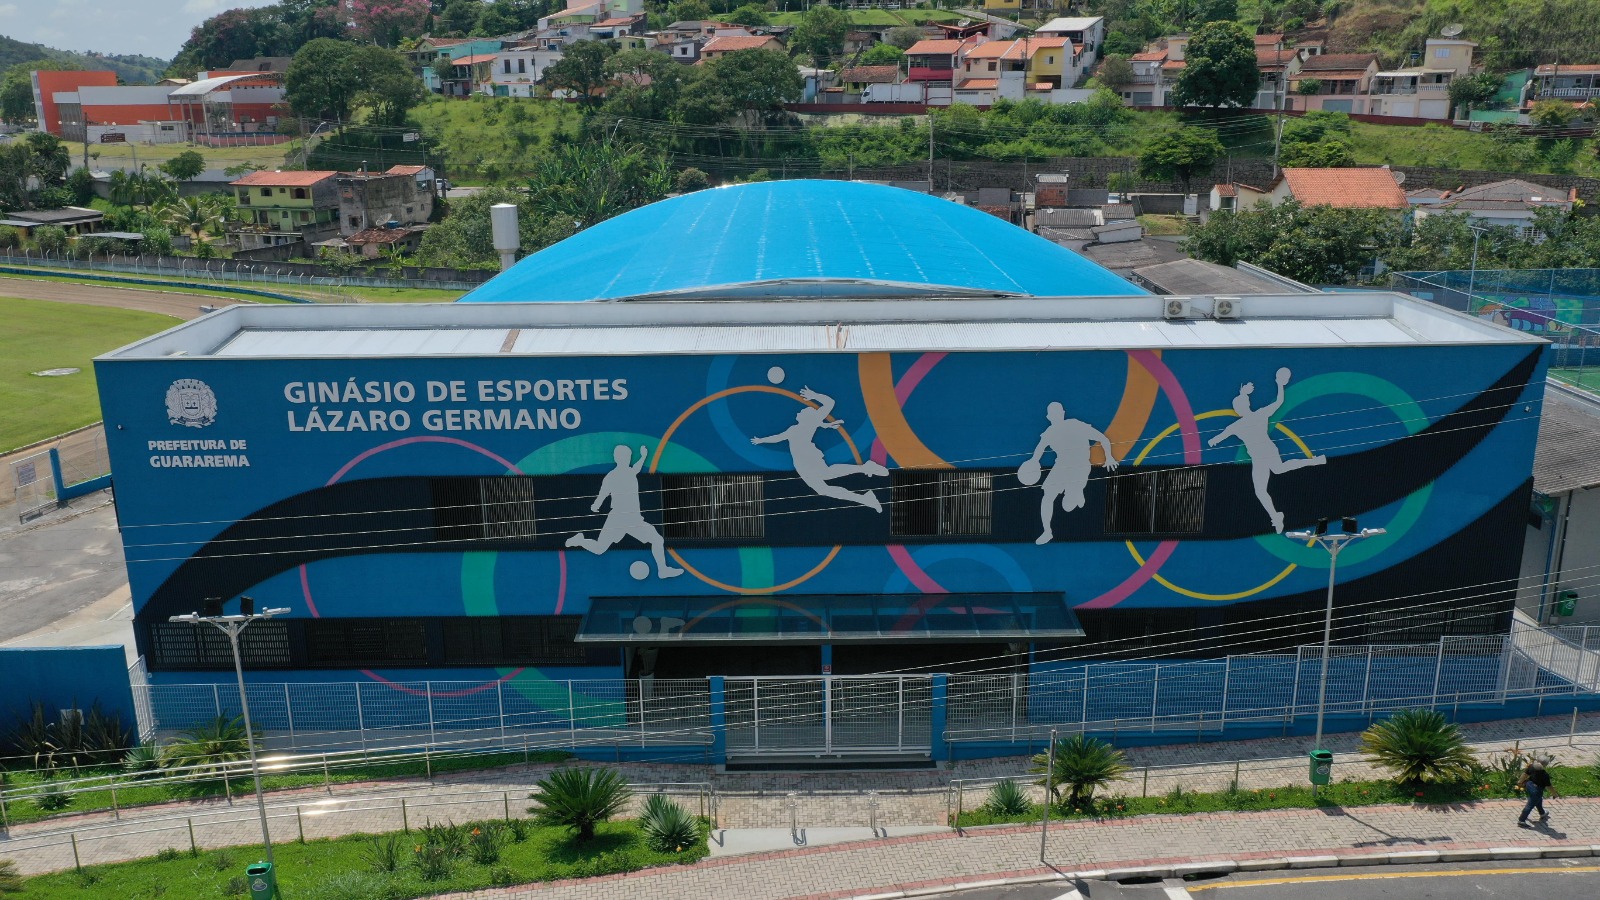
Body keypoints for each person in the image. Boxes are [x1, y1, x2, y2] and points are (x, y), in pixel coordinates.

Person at [1206, 367, 1327, 534]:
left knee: (1277, 471)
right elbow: (1221, 436)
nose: (1238, 409)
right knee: (1261, 490)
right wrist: (1213, 440)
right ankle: (1276, 517)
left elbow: (1278, 402)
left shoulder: (1256, 416)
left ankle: (1314, 461)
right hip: (1258, 458)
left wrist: (1279, 384)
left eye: (1238, 406)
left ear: (1241, 407)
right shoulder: (1241, 423)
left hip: (1267, 452)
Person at [752, 386, 888, 511]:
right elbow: (778, 437)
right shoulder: (797, 428)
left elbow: (830, 403)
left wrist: (814, 395)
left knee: (826, 475)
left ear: (807, 416)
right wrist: (761, 440)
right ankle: (865, 496)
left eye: (805, 409)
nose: (802, 409)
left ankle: (864, 470)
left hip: (808, 459)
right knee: (823, 489)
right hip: (801, 464)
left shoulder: (809, 423)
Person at [566, 444, 682, 579]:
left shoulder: (630, 472)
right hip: (618, 518)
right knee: (599, 549)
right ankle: (580, 541)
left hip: (633, 519)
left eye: (629, 456)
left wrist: (644, 456)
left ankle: (662, 570)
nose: (627, 458)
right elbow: (603, 494)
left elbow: (637, 468)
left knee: (657, 539)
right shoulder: (611, 476)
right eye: (624, 456)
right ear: (617, 458)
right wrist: (595, 505)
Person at [1022, 401, 1118, 545]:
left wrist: (1109, 457)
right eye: (1052, 414)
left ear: (1063, 413)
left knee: (1067, 507)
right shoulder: (1049, 432)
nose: (1055, 416)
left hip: (1080, 466)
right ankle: (1047, 532)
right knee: (1047, 495)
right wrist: (1034, 461)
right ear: (1049, 417)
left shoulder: (1075, 425)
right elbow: (1040, 448)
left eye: (1057, 413)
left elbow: (1102, 438)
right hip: (1061, 466)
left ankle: (1076, 493)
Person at [1517, 757, 1554, 827]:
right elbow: (1549, 786)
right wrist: (1554, 794)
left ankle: (1542, 813)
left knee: (1538, 799)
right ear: (1545, 765)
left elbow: (1524, 774)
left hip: (1529, 786)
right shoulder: (1544, 775)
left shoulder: (1531, 767)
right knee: (1530, 805)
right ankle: (1521, 820)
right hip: (1537, 791)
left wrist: (1520, 782)